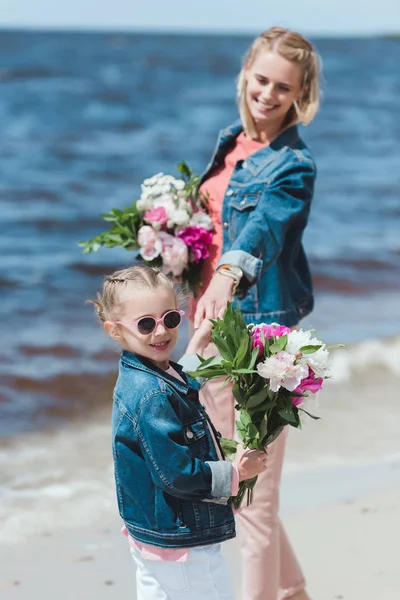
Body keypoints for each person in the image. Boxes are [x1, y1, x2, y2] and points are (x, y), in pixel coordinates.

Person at [191, 26, 322, 600]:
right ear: (246, 72)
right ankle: (291, 591)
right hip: (207, 333)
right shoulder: (229, 141)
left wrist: (226, 271)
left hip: (256, 345)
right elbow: (215, 222)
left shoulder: (293, 166)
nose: (267, 94)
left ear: (300, 95)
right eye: (261, 79)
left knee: (250, 497)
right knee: (248, 491)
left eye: (283, 88)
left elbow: (261, 227)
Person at [90, 264, 267, 600]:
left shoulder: (150, 373)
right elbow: (176, 475)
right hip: (182, 537)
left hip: (155, 532)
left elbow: (178, 381)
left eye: (170, 319)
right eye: (146, 324)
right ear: (115, 330)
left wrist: (198, 345)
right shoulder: (149, 394)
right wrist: (237, 472)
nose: (161, 332)